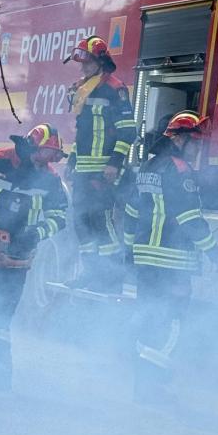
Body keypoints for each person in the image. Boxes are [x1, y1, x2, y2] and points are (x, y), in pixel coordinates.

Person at [123, 111, 218, 404]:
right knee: (172, 323)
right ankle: (153, 388)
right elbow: (190, 219)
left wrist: (129, 250)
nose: (197, 148)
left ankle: (142, 388)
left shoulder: (148, 167)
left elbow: (131, 212)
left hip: (145, 259)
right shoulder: (180, 171)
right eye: (195, 141)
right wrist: (216, 256)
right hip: (173, 261)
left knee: (148, 318)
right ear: (179, 139)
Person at [0, 124, 68, 391]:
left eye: (53, 156)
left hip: (19, 253)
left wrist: (37, 233)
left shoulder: (51, 181)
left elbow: (60, 216)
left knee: (3, 311)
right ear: (31, 147)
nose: (49, 161)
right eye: (46, 153)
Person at [64, 35, 136, 293]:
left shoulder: (114, 89)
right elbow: (81, 134)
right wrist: (72, 160)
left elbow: (128, 132)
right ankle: (92, 273)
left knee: (101, 221)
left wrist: (114, 163)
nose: (82, 67)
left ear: (101, 61)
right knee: (80, 221)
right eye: (80, 63)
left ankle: (112, 276)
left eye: (87, 62)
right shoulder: (83, 89)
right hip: (83, 170)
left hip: (103, 171)